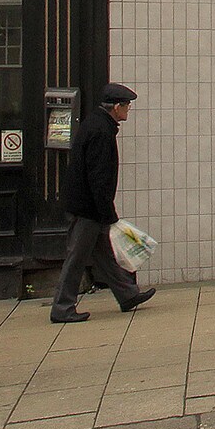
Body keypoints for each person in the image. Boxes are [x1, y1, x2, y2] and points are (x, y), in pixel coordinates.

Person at [51, 83, 153, 323]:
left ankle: (127, 295)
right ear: (116, 107)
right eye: (127, 106)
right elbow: (98, 176)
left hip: (87, 205)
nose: (128, 110)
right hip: (88, 208)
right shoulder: (101, 131)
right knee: (76, 258)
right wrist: (107, 211)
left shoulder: (97, 125)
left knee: (104, 255)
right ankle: (62, 307)